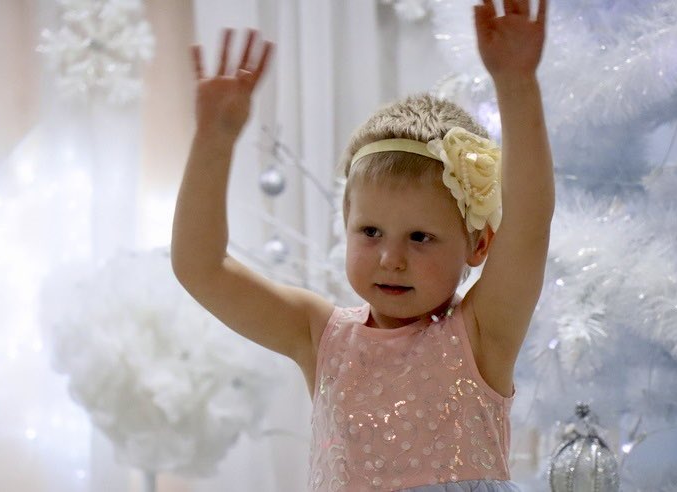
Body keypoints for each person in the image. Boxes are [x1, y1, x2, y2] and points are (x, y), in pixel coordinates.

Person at [171, 0, 552, 489]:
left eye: (420, 237)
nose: (392, 259)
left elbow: (530, 225)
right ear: (345, 225)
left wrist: (516, 83)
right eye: (370, 232)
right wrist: (214, 139)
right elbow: (200, 267)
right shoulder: (319, 336)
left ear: (478, 246)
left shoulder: (482, 334)